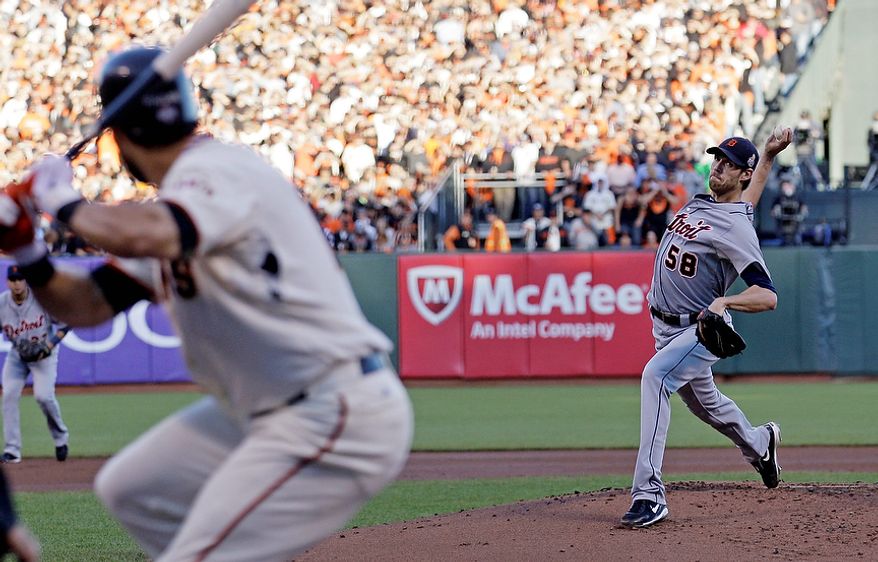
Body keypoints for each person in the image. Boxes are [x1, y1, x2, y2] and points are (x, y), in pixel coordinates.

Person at [0, 46, 413, 561]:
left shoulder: (214, 169)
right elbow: (86, 306)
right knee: (133, 488)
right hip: (260, 410)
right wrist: (29, 251)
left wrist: (63, 202)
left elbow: (156, 233)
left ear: (119, 136)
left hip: (332, 407)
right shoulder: (186, 198)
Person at [620, 132, 792, 529]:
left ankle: (649, 494)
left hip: (698, 329)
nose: (718, 166)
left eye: (729, 163)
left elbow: (767, 296)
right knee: (706, 405)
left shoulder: (737, 230)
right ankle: (760, 443)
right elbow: (749, 198)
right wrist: (766, 155)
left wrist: (726, 302)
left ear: (741, 173)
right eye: (718, 159)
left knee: (655, 377)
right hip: (663, 325)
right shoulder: (712, 206)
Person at [0, 265, 70, 464]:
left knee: (44, 397)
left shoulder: (42, 300)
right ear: (7, 281)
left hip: (43, 357)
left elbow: (67, 323)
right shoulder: (2, 303)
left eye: (20, 278)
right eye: (13, 279)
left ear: (26, 280)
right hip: (17, 356)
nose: (17, 283)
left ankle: (60, 438)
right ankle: (12, 450)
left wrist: (50, 344)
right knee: (10, 395)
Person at [771, 180, 808, 245]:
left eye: (789, 186)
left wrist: (801, 215)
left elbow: (804, 209)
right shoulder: (778, 199)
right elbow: (773, 211)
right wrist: (777, 213)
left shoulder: (797, 198)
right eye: (785, 186)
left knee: (796, 239)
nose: (787, 188)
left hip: (795, 225)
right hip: (782, 225)